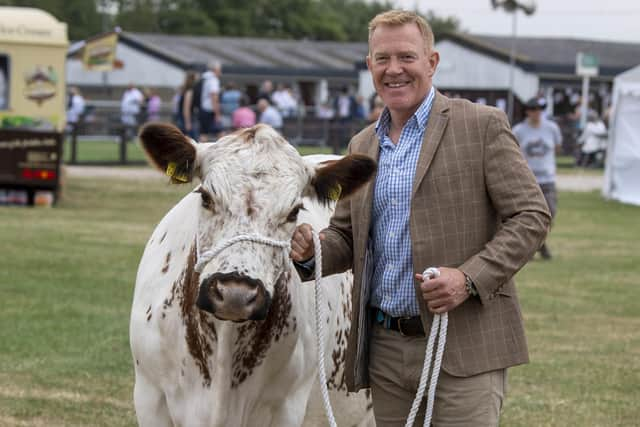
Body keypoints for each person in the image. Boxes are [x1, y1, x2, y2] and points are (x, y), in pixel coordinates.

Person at [290, 10, 550, 426]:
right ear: (370, 66)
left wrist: (468, 279)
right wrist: (312, 251)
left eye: (406, 57)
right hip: (386, 351)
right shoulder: (361, 145)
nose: (394, 70)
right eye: (382, 59)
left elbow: (531, 215)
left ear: (432, 62)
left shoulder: (481, 126)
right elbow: (346, 236)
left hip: (464, 345)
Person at [513, 97, 562, 260]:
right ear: (528, 111)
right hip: (529, 180)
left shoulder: (552, 128)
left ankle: (539, 243)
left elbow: (557, 147)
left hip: (548, 178)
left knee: (550, 214)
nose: (537, 113)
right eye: (534, 110)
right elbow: (513, 152)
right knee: (531, 216)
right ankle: (538, 247)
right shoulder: (519, 130)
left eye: (540, 110)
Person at [199, 60, 222, 141]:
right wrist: (217, 113)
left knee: (203, 133)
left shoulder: (204, 78)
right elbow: (214, 97)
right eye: (220, 70)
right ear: (215, 70)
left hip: (203, 108)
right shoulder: (213, 80)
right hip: (210, 110)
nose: (220, 72)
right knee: (221, 133)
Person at [177, 71, 197, 138]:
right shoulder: (189, 92)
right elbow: (186, 108)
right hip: (186, 118)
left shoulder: (183, 90)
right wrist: (187, 122)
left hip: (181, 117)